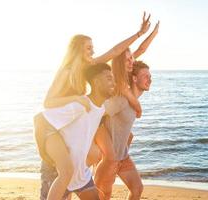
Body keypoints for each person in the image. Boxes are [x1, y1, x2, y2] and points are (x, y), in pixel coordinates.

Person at [34, 12, 151, 200]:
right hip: (53, 126)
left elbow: (114, 52)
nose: (93, 52)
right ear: (77, 50)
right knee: (62, 174)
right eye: (89, 49)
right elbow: (48, 103)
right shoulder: (66, 72)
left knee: (78, 170)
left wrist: (139, 34)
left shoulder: (89, 67)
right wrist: (77, 100)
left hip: (68, 125)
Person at [34, 63, 114, 199]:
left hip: (81, 174)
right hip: (61, 175)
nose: (114, 82)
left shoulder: (101, 109)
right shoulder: (80, 106)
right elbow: (41, 119)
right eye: (109, 78)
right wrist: (44, 151)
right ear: (96, 82)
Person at [94, 61, 152, 200]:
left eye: (150, 76)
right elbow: (96, 114)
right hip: (109, 158)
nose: (149, 79)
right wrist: (102, 150)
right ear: (134, 78)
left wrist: (126, 141)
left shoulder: (132, 102)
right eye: (145, 76)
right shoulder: (121, 100)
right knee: (104, 195)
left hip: (123, 156)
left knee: (137, 189)